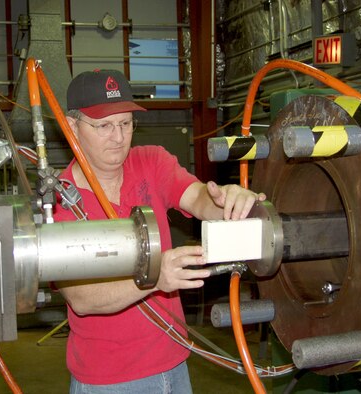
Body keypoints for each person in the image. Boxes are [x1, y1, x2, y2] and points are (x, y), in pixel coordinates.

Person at [53, 69, 266, 393]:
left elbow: (197, 197)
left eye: (125, 124)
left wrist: (229, 201)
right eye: (104, 126)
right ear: (72, 127)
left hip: (174, 364)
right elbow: (82, 298)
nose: (119, 136)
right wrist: (155, 278)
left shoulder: (151, 161)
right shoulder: (60, 201)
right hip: (110, 379)